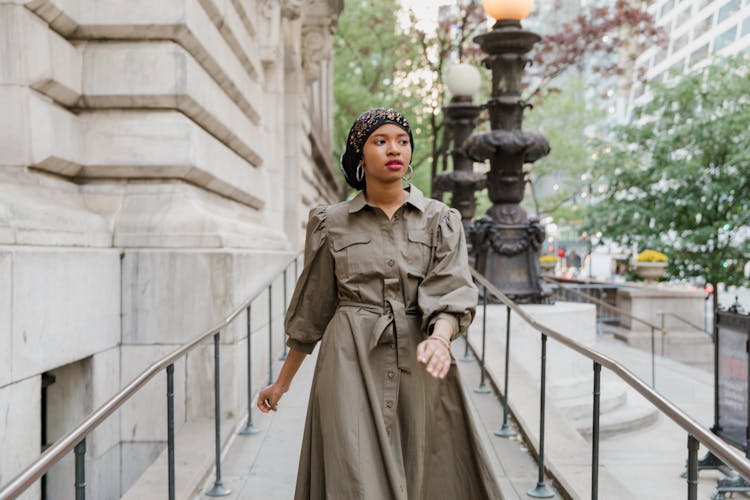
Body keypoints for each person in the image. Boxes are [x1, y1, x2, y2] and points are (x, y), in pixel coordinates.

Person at [257, 108, 502, 500]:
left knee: (425, 471)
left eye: (402, 141)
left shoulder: (441, 220)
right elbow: (312, 309)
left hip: (421, 363)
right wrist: (281, 384)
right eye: (380, 141)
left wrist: (440, 339)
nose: (395, 149)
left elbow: (451, 289)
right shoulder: (330, 222)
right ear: (360, 156)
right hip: (348, 360)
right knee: (353, 476)